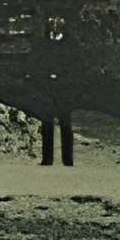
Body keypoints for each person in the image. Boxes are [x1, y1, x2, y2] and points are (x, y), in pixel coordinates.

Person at [38, 15, 75, 169]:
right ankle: (47, 159)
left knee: (65, 123)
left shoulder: (69, 45)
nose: (54, 26)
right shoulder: (43, 45)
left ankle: (68, 159)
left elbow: (74, 65)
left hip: (64, 89)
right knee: (47, 123)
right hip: (47, 88)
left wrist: (64, 78)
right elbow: (37, 64)